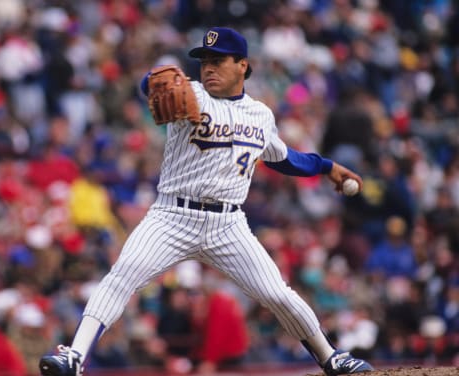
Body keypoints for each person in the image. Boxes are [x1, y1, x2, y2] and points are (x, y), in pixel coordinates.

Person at [39, 27, 374, 376]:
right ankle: (74, 357)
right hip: (171, 216)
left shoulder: (260, 114)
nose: (208, 68)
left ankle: (332, 358)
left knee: (277, 294)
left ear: (243, 65)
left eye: (218, 61)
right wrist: (149, 81)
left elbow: (282, 157)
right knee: (121, 278)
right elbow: (151, 85)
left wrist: (326, 166)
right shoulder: (192, 94)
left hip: (228, 224)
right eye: (204, 62)